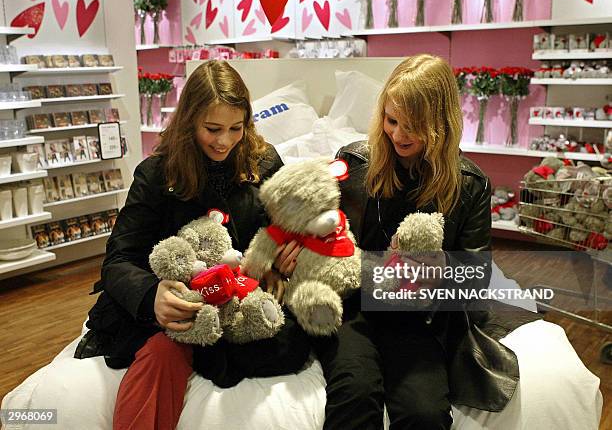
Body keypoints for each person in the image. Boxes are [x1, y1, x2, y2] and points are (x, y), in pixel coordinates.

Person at [74, 60, 310, 430]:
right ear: (189, 121)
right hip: (183, 305)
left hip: (244, 297)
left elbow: (287, 229)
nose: (224, 141)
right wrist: (151, 295)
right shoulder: (157, 174)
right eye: (212, 129)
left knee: (293, 339)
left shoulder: (264, 162)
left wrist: (285, 258)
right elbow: (118, 259)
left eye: (236, 128)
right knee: (162, 351)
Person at [310, 54, 539, 429]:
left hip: (420, 318)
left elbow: (476, 278)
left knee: (425, 413)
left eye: (413, 126)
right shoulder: (354, 162)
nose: (398, 135)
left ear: (441, 124)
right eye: (391, 120)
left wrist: (441, 270)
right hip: (355, 307)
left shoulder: (469, 185)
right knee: (355, 394)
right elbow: (330, 247)